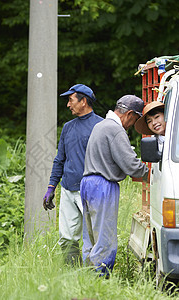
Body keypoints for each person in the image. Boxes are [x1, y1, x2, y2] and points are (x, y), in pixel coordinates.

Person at [80, 95, 149, 276]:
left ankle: (87, 277)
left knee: (90, 237)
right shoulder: (115, 130)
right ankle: (99, 279)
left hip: (88, 183)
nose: (133, 124)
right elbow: (131, 165)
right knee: (105, 238)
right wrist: (151, 174)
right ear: (129, 114)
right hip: (103, 185)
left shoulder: (100, 125)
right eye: (135, 119)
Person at [42, 83, 103, 264]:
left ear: (83, 101)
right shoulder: (68, 127)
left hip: (91, 191)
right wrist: (51, 187)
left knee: (94, 237)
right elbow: (59, 159)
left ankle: (95, 276)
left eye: (71, 100)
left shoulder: (101, 126)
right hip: (68, 189)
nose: (68, 105)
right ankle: (72, 275)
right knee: (67, 236)